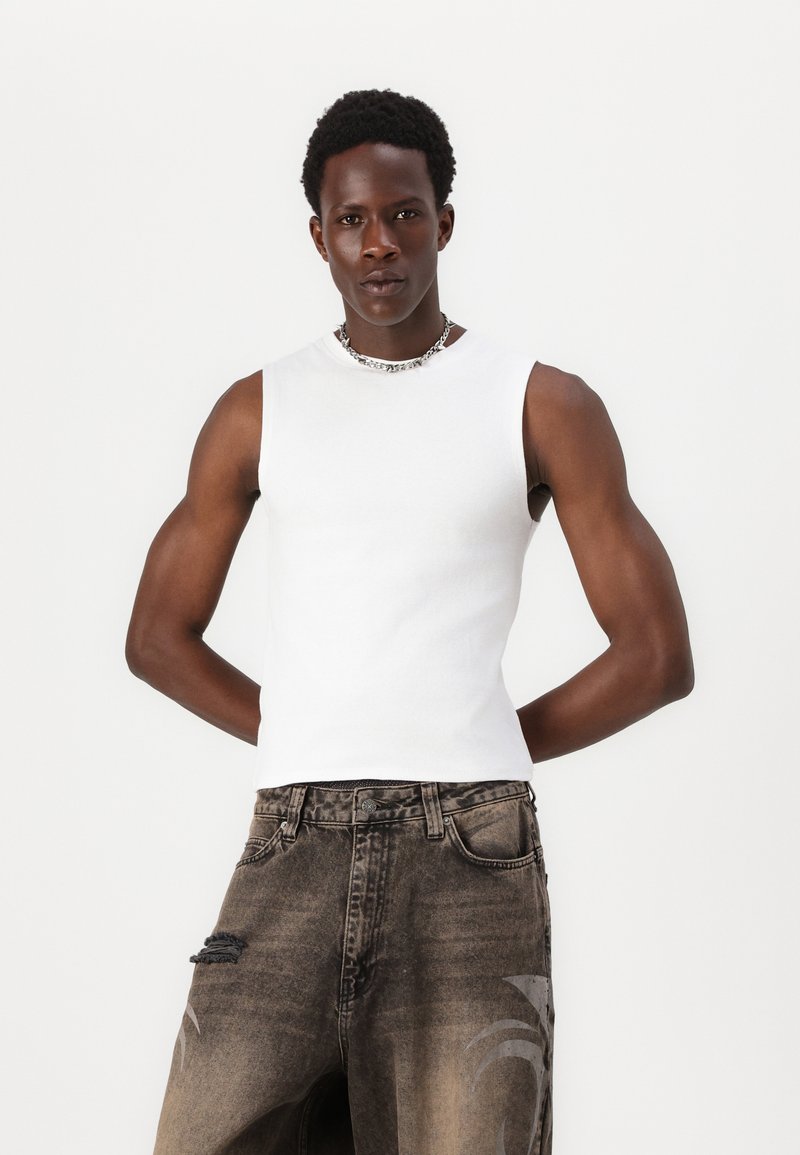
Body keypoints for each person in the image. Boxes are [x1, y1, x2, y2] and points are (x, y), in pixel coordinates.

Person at [126, 88, 694, 1155]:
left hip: (469, 856)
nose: (378, 242)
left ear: (444, 222)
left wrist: (478, 742)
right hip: (293, 839)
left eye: (403, 213)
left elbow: (655, 655)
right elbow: (157, 635)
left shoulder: (540, 403)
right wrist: (306, 728)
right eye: (351, 219)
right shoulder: (258, 408)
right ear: (319, 237)